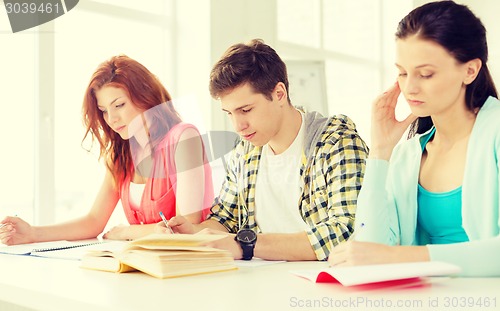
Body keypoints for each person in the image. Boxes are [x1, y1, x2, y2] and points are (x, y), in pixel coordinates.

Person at [329, 1, 500, 276]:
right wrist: (381, 152)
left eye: (426, 74)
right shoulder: (408, 155)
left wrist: (400, 257)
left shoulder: (495, 133)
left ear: (470, 70)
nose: (410, 87)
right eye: (403, 72)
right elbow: (371, 249)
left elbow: (386, 256)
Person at [165, 39, 368, 261]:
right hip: (261, 284)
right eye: (229, 113)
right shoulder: (245, 152)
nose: (238, 126)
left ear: (279, 94)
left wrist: (246, 245)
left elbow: (346, 232)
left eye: (246, 109)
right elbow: (226, 219)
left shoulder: (337, 143)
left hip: (322, 283)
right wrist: (192, 233)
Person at [0, 55, 214, 245]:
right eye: (104, 111)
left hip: (187, 267)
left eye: (119, 105)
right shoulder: (121, 155)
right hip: (142, 269)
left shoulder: (184, 138)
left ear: (145, 96)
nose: (111, 119)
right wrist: (33, 233)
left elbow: (185, 227)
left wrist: (127, 232)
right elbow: (94, 221)